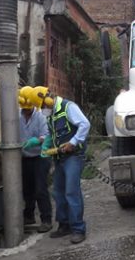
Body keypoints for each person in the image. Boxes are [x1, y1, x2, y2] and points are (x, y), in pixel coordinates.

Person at [27, 86, 90, 245]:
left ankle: (78, 229)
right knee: (58, 192)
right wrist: (45, 145)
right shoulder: (51, 114)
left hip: (73, 156)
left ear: (48, 100)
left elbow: (85, 124)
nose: (42, 110)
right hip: (59, 156)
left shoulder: (69, 107)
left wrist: (73, 142)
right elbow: (50, 133)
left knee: (71, 191)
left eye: (42, 106)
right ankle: (64, 225)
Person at [18, 86, 53, 233]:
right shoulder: (16, 117)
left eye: (28, 109)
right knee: (27, 189)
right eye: (24, 109)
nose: (26, 111)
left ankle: (46, 219)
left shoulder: (41, 116)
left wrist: (36, 141)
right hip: (25, 157)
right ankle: (29, 215)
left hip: (41, 156)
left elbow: (46, 135)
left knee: (40, 188)